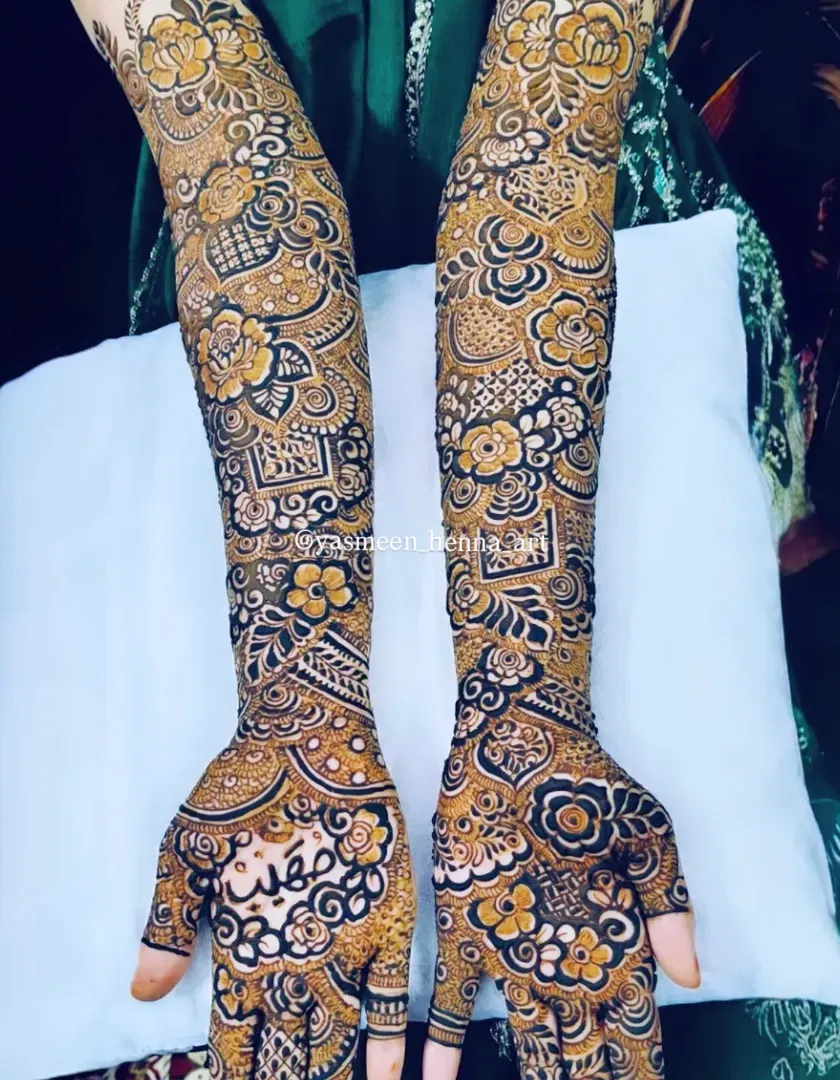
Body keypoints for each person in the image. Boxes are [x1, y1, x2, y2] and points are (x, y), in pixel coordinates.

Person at [68, 1, 700, 1077]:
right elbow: (220, 134)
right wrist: (298, 701)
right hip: (235, 240)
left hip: (575, 216)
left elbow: (548, 126)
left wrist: (530, 696)